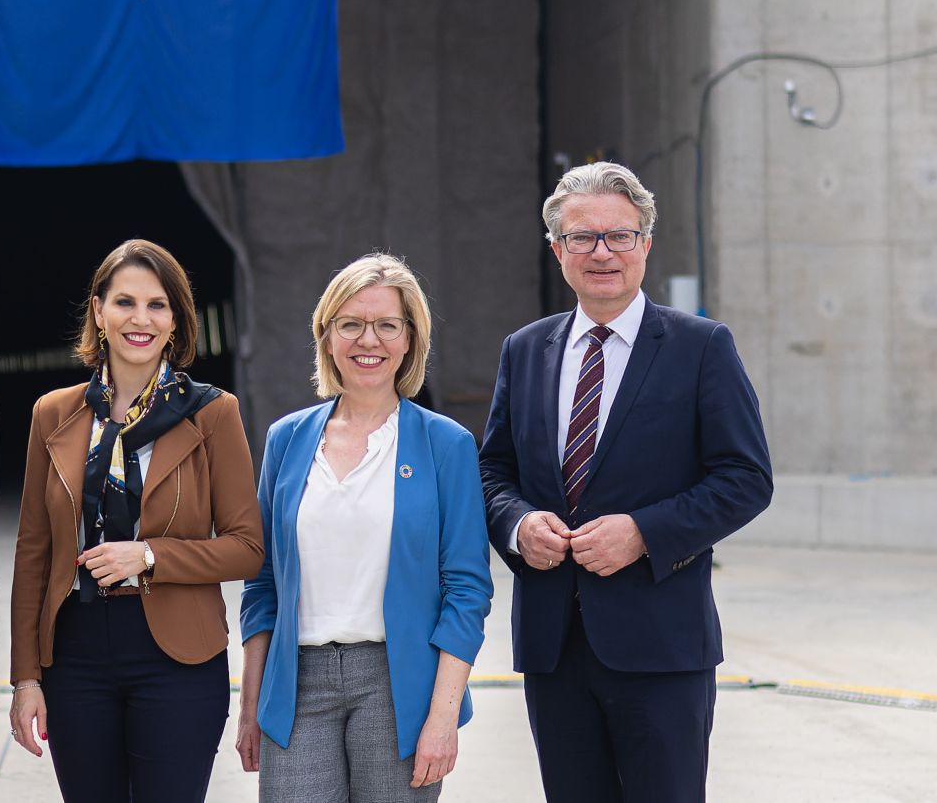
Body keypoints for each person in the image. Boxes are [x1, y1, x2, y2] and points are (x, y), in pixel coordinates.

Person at [478, 163, 773, 803]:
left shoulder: (701, 347)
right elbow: (492, 471)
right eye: (582, 238)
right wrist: (518, 523)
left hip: (662, 643)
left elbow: (746, 478)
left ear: (645, 244)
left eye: (619, 235)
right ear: (557, 250)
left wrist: (644, 533)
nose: (602, 252)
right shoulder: (524, 350)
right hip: (553, 646)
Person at [7, 239, 263, 803]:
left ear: (176, 320)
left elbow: (248, 548)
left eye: (157, 305)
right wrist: (25, 679)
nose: (140, 320)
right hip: (74, 652)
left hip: (177, 654)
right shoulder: (53, 413)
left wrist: (149, 556)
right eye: (125, 302)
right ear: (99, 311)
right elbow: (32, 553)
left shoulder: (213, 412)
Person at [239, 253, 493, 801]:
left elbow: (467, 592)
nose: (368, 340)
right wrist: (249, 705)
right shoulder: (286, 440)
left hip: (399, 684)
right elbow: (261, 585)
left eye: (386, 325)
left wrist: (442, 718)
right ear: (327, 337)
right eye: (350, 324)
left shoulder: (446, 444)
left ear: (409, 340)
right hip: (297, 683)